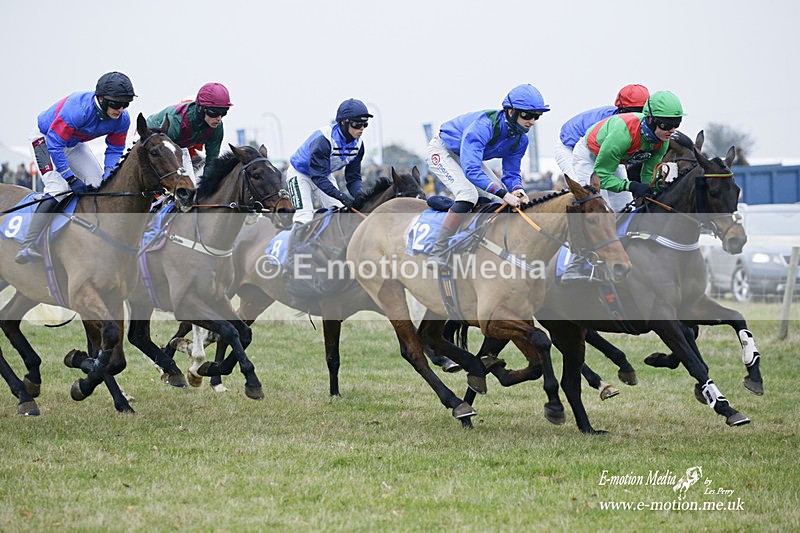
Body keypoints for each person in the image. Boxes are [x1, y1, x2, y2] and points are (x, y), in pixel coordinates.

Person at [423, 83, 550, 270]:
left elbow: (511, 174)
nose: (532, 121)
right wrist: (504, 194)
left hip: (467, 156)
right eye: (527, 115)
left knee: (498, 199)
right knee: (468, 194)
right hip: (443, 151)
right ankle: (438, 250)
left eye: (536, 116)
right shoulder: (484, 126)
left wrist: (518, 190)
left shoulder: (521, 139)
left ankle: (479, 244)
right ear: (511, 112)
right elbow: (472, 170)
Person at [561, 90, 684, 281]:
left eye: (676, 124)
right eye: (666, 125)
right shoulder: (623, 135)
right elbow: (603, 176)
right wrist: (632, 186)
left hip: (614, 160)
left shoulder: (662, 142)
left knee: (626, 207)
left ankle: (620, 256)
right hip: (589, 156)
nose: (671, 130)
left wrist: (650, 189)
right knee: (595, 207)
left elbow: (647, 174)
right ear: (650, 120)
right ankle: (575, 265)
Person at [15, 71, 136, 264]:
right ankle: (27, 244)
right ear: (102, 99)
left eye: (125, 104)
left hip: (72, 144)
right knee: (59, 189)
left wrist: (109, 175)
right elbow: (54, 144)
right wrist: (71, 178)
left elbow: (114, 149)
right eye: (116, 104)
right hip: (45, 140)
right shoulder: (77, 110)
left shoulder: (123, 119)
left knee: (99, 185)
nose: (120, 109)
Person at [286, 98, 371, 225]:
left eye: (365, 124)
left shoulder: (359, 146)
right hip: (300, 174)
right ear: (343, 123)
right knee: (304, 217)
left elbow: (353, 177)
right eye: (357, 124)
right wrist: (341, 196)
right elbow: (318, 177)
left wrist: (359, 196)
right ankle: (292, 237)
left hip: (323, 175)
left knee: (340, 215)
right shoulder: (324, 140)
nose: (362, 128)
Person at [554, 84, 649, 179]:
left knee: (622, 187)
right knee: (583, 184)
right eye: (633, 111)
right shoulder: (612, 123)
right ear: (620, 109)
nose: (636, 116)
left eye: (641, 112)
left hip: (599, 149)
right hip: (570, 146)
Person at [146, 82, 233, 184]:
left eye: (223, 112)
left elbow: (211, 161)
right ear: (201, 109)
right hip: (148, 138)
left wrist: (206, 187)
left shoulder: (217, 128)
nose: (219, 118)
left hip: (179, 147)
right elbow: (161, 156)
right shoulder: (176, 122)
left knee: (190, 187)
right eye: (215, 112)